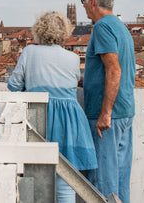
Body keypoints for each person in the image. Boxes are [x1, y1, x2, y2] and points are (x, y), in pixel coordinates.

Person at [7, 11, 97, 203]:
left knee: (34, 181)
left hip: (40, 119)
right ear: (64, 32)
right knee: (65, 183)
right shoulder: (73, 58)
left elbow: (14, 85)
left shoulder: (29, 52)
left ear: (39, 30)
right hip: (70, 122)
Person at [81, 0, 135, 203]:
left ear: (92, 1)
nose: (84, 6)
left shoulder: (102, 27)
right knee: (121, 181)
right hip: (125, 112)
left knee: (104, 184)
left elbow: (114, 70)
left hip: (108, 116)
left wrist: (105, 113)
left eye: (84, 1)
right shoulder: (120, 26)